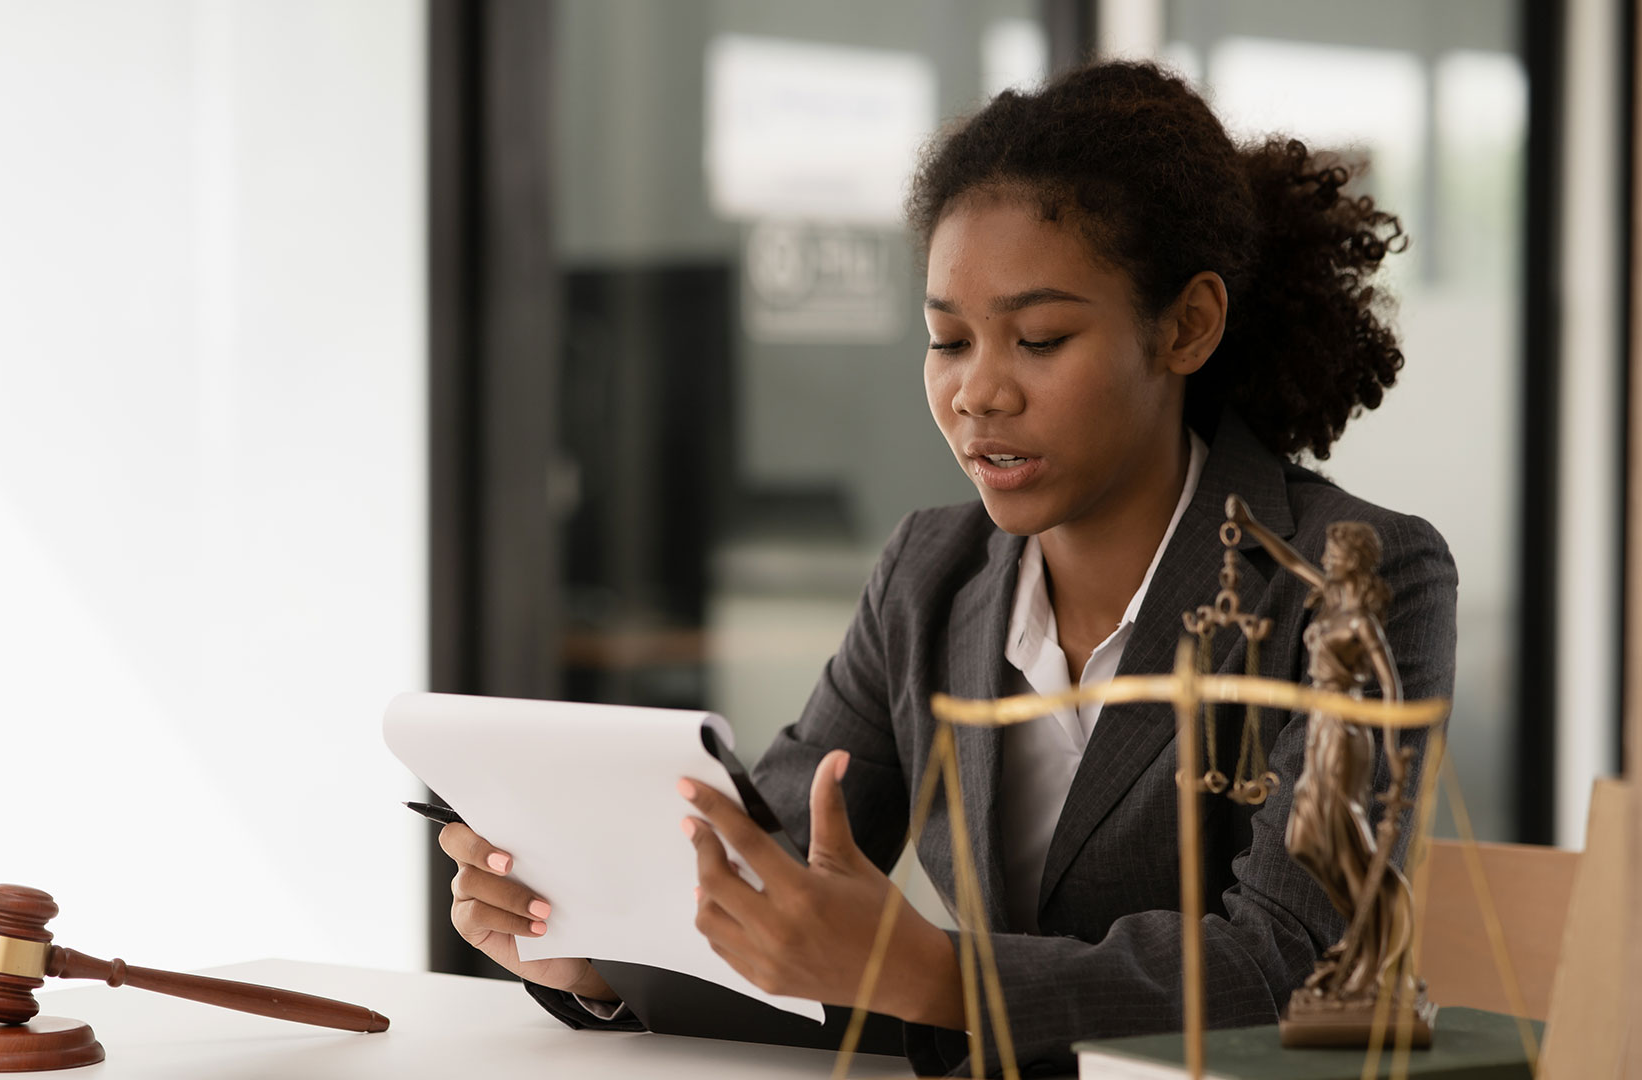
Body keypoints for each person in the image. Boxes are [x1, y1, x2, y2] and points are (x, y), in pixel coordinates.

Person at [437, 59, 1457, 1076]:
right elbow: (774, 894)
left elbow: (1293, 970)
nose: (977, 394)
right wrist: (608, 954)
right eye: (947, 339)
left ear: (1186, 325)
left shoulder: (1354, 581)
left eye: (1040, 339)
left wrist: (934, 975)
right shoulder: (932, 574)